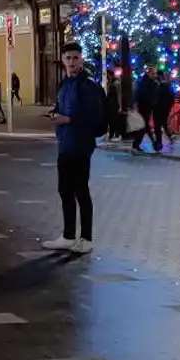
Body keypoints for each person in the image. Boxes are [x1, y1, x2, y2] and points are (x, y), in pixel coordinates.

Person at [44, 42, 105, 254]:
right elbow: (61, 107)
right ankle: (68, 236)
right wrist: (55, 114)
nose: (71, 62)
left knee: (81, 190)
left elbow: (93, 117)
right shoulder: (65, 84)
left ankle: (86, 238)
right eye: (68, 58)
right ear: (63, 60)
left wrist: (67, 118)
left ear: (82, 59)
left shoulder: (88, 86)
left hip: (81, 144)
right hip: (65, 144)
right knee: (65, 190)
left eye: (75, 58)